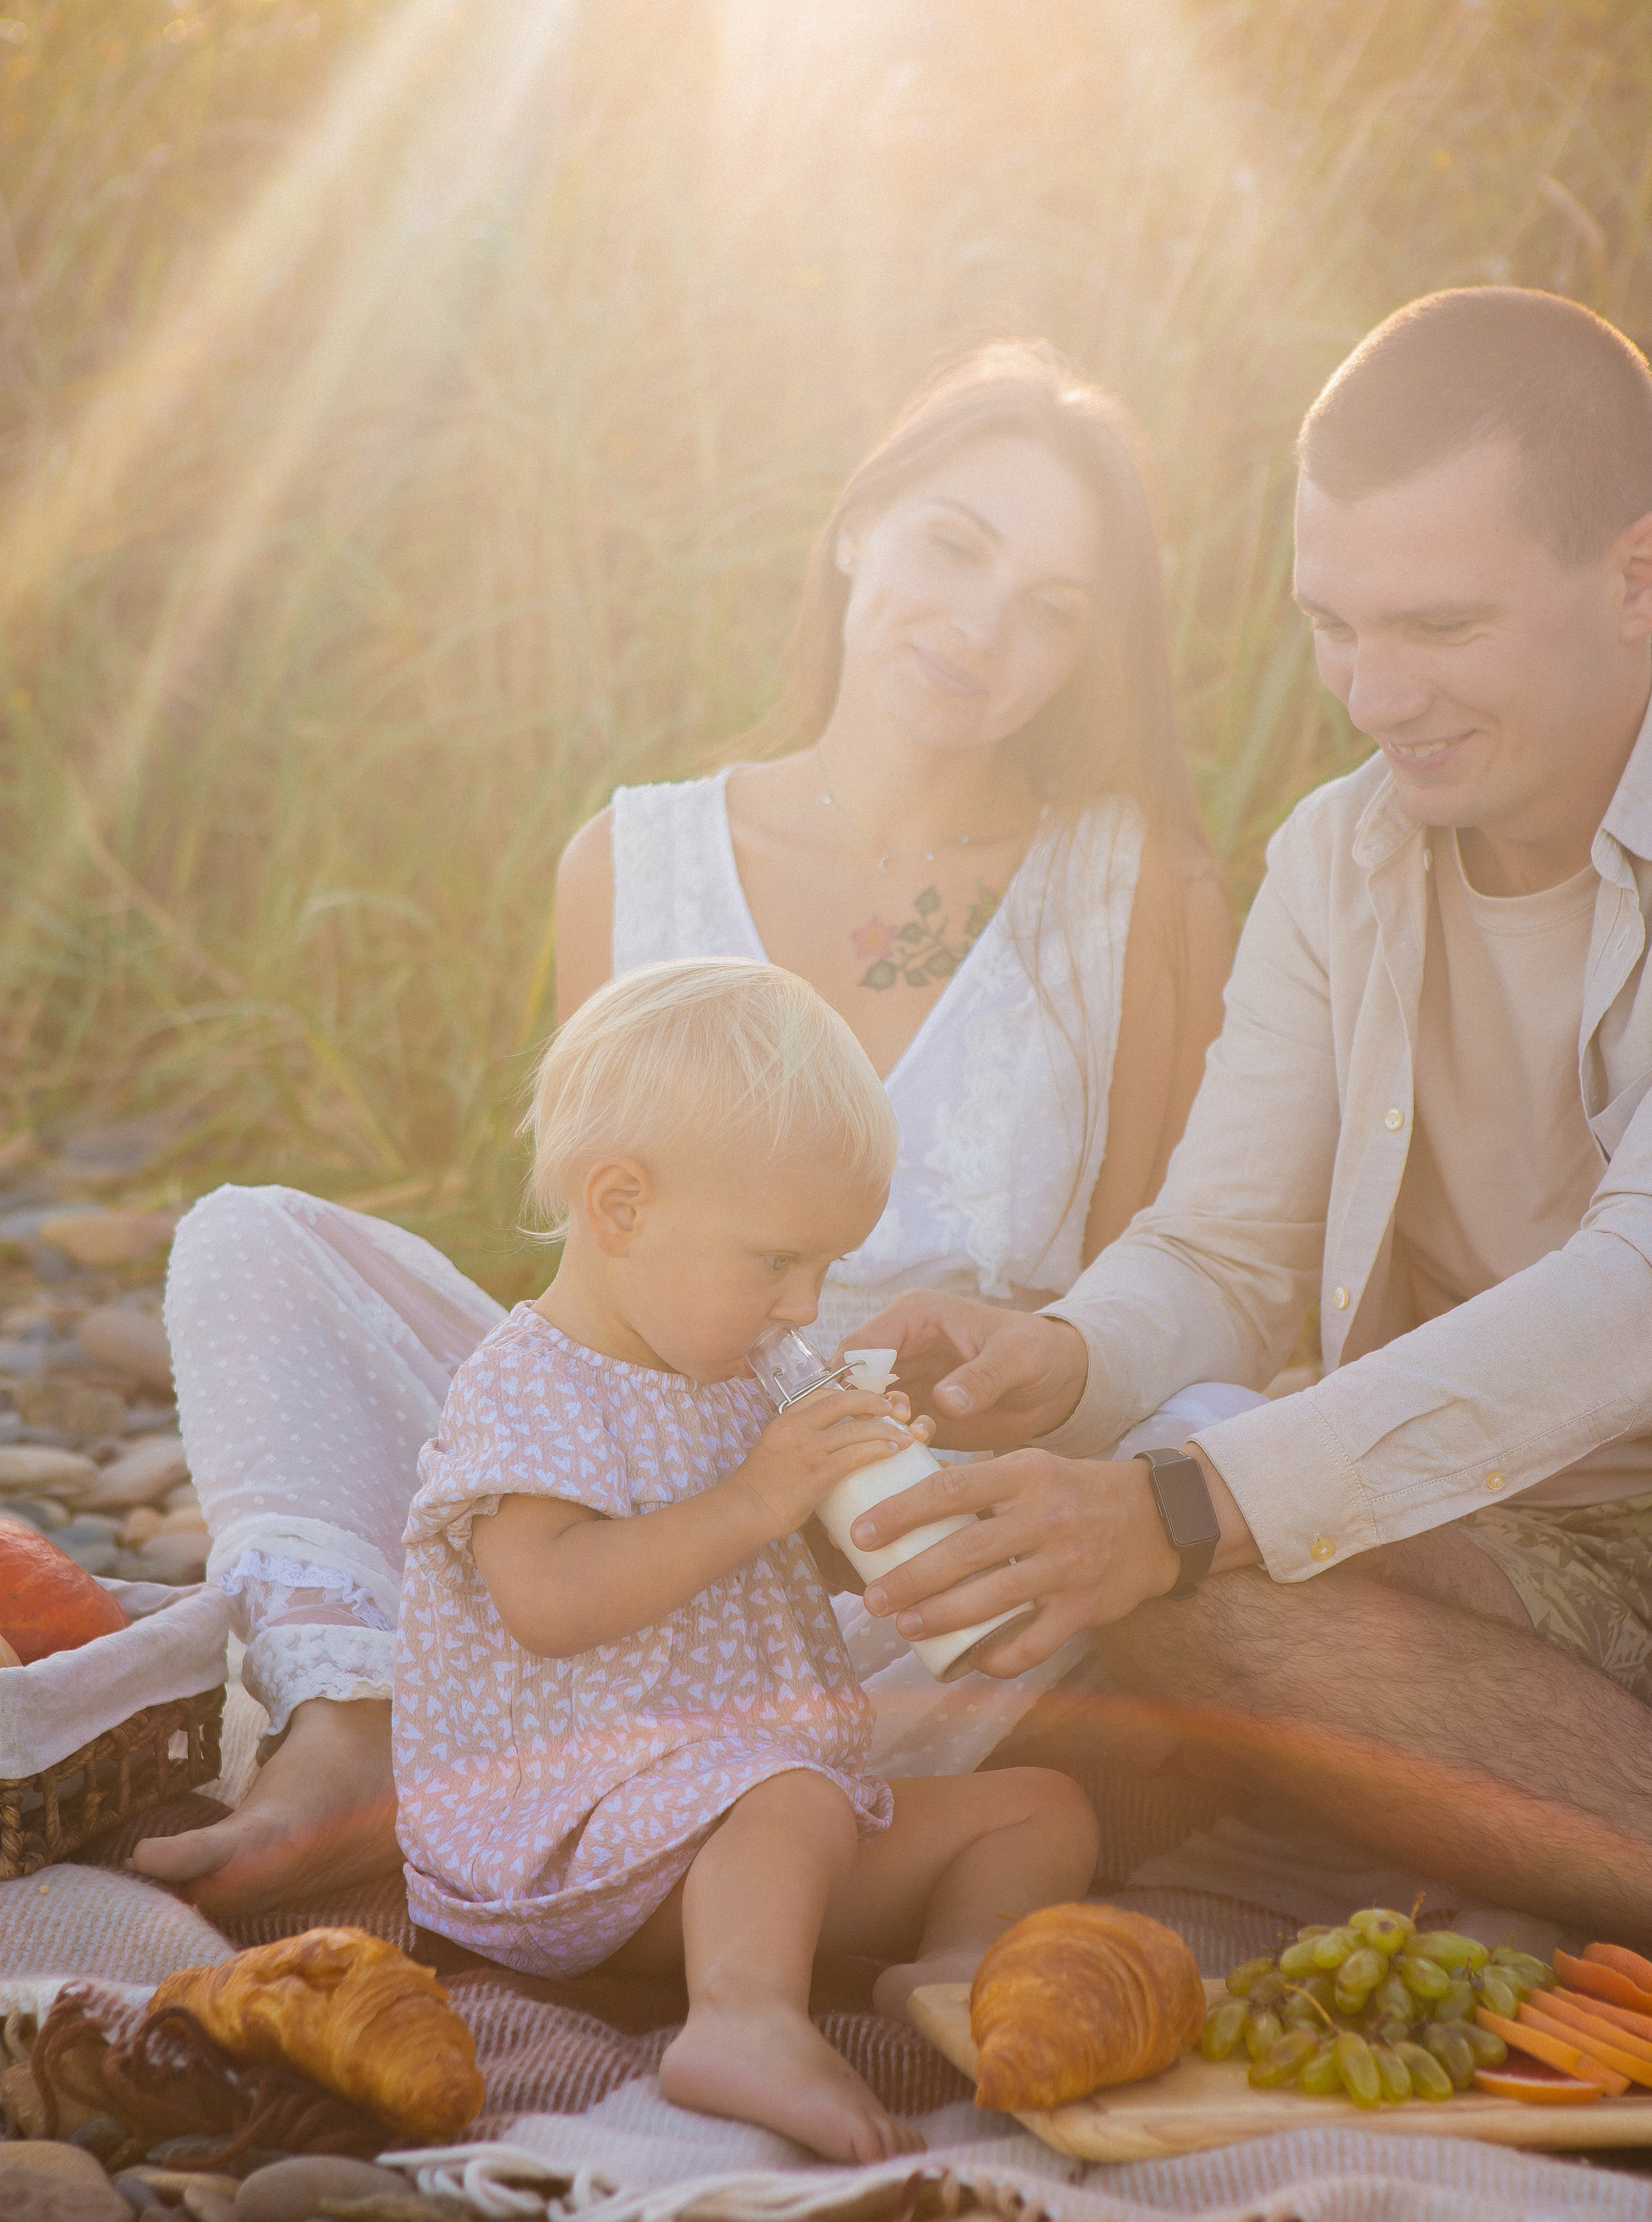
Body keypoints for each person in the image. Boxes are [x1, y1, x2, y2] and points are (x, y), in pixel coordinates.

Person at [140, 339, 1228, 1912]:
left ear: (1085, 653)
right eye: (952, 547)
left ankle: (618, 1782)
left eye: (1051, 608)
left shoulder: (1137, 888)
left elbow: (1144, 1294)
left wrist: (965, 1415)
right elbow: (599, 1263)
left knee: (1201, 1428)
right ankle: (361, 1726)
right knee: (249, 1243)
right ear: (855, 527)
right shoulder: (633, 861)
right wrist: (688, 1484)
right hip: (638, 1495)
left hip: (923, 1543)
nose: (983, 630)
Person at [837, 288, 1652, 1969]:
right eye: (1332, 625)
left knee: (1177, 1530)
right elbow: (1223, 1250)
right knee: (1170, 1594)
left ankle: (1633, 1841)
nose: (1372, 694)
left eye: (1439, 626)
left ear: (1637, 577)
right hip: (1489, 1534)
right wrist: (1060, 1358)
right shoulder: (1337, 858)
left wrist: (1184, 1506)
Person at [394, 959, 1097, 2161]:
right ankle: (741, 2019)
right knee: (790, 1795)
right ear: (621, 1208)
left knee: (1040, 1809)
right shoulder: (533, 1384)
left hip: (748, 1828)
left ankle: (952, 1978)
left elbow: (753, 1574)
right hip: (578, 1833)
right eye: (778, 1263)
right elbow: (548, 1600)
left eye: (826, 1270)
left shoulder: (728, 1373)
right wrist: (760, 1497)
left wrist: (873, 1513)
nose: (804, 1307)